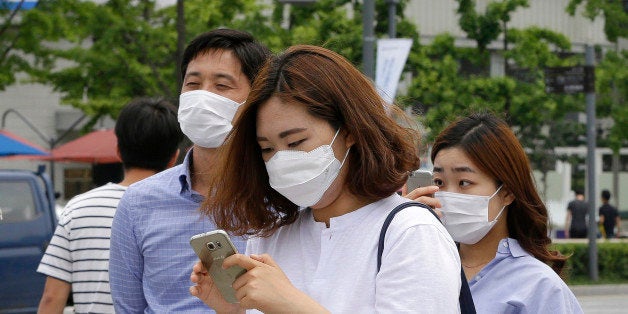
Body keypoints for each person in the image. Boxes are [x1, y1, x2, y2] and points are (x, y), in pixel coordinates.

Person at [189, 45, 461, 312]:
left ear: (349, 131)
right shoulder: (272, 237)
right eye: (267, 149)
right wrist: (233, 310)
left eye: (295, 142)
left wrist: (291, 305)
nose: (282, 160)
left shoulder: (410, 232)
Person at [108, 29, 271, 312]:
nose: (202, 96)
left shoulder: (282, 198)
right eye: (193, 83)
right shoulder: (138, 202)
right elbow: (128, 308)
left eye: (222, 86)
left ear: (255, 98)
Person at [406, 112, 582, 313]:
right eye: (439, 182)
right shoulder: (422, 268)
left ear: (507, 192)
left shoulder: (539, 286)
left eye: (464, 182)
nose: (447, 196)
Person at [36, 97, 183, 313]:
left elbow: (52, 297)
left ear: (118, 151)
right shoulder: (183, 212)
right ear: (174, 157)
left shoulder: (77, 209)